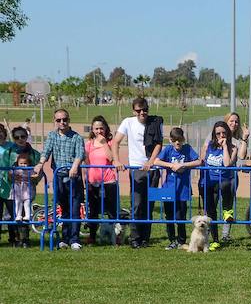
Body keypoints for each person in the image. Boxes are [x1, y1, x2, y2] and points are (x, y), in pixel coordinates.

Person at [112, 97, 163, 249]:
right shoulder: (128, 122)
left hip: (152, 170)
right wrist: (116, 160)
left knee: (149, 205)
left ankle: (145, 238)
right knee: (137, 204)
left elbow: (159, 143)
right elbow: (116, 142)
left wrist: (151, 161)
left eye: (145, 110)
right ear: (134, 111)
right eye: (138, 110)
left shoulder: (156, 122)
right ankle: (135, 238)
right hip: (136, 169)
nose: (142, 113)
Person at [34, 108, 85, 250]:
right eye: (59, 120)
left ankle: (75, 239)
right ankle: (64, 237)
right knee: (63, 208)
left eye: (65, 119)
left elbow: (80, 154)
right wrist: (40, 164)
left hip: (74, 177)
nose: (62, 122)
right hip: (59, 176)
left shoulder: (76, 137)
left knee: (75, 208)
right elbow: (46, 151)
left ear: (69, 120)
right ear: (54, 121)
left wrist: (75, 166)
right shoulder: (52, 136)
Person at [152, 127, 201, 249]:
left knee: (181, 217)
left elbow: (199, 161)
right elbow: (156, 161)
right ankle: (172, 240)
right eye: (174, 140)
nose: (177, 143)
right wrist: (171, 165)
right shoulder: (168, 149)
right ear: (170, 140)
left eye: (179, 140)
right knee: (169, 217)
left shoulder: (187, 149)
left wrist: (183, 164)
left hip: (183, 190)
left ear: (183, 139)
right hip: (168, 188)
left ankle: (181, 240)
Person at [199, 121, 237, 250]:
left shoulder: (233, 148)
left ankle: (227, 211)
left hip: (224, 182)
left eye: (224, 133)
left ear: (228, 133)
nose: (221, 135)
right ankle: (215, 240)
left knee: (226, 185)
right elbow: (201, 160)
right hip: (209, 182)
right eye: (218, 133)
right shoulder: (209, 145)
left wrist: (225, 147)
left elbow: (227, 164)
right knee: (211, 212)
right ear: (214, 135)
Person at [0, 126, 40, 246]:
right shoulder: (8, 152)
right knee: (13, 214)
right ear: (13, 138)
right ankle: (13, 239)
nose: (20, 139)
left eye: (23, 136)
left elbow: (39, 170)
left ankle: (25, 239)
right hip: (10, 189)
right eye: (17, 137)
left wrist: (35, 177)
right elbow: (4, 169)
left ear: (27, 137)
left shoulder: (34, 153)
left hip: (27, 189)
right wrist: (10, 175)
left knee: (24, 213)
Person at [83, 116, 119, 245]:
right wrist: (86, 180)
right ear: (92, 130)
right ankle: (92, 236)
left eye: (101, 128)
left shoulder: (110, 142)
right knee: (93, 211)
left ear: (105, 129)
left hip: (109, 181)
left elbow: (111, 158)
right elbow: (86, 162)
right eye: (96, 129)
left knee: (111, 210)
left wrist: (104, 143)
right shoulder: (88, 144)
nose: (99, 131)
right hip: (93, 181)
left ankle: (115, 236)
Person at [220, 112, 249, 242]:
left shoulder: (237, 140)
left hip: (231, 178)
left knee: (228, 206)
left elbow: (242, 156)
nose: (234, 124)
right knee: (210, 206)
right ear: (226, 121)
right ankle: (209, 232)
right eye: (231, 121)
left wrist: (245, 139)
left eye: (236, 121)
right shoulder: (215, 136)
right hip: (214, 176)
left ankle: (225, 235)